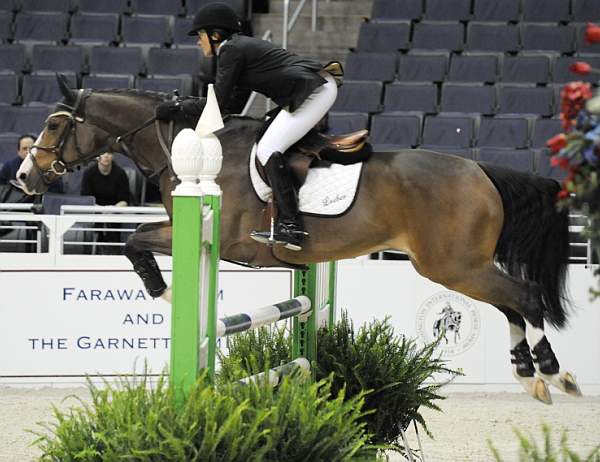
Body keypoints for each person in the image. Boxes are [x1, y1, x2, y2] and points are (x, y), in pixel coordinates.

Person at [155, 2, 341, 251]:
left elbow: (217, 106)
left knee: (267, 150)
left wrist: (178, 106)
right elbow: (229, 104)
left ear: (215, 35)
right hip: (312, 89)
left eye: (200, 35)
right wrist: (183, 105)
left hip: (313, 92)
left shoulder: (230, 50)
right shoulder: (237, 49)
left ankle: (291, 225)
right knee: (266, 135)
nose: (199, 42)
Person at [81, 152, 131, 254]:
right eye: (103, 153)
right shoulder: (89, 173)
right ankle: (93, 251)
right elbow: (86, 199)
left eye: (109, 153)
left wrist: (111, 210)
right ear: (98, 157)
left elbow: (124, 200)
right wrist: (100, 210)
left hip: (115, 211)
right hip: (94, 211)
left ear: (113, 156)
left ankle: (117, 251)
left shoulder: (120, 173)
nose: (106, 156)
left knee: (116, 227)